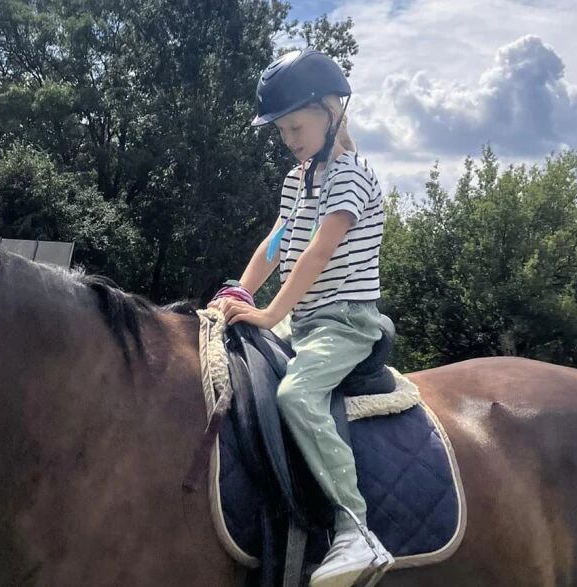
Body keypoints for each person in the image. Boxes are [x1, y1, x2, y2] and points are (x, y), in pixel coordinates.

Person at [208, 48, 392, 587]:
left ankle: (356, 529)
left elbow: (318, 251)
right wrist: (237, 292)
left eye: (296, 126)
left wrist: (267, 313)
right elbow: (276, 244)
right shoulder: (299, 179)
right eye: (282, 130)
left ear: (331, 112)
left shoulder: (352, 176)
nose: (289, 138)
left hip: (346, 321)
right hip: (306, 319)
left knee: (296, 396)